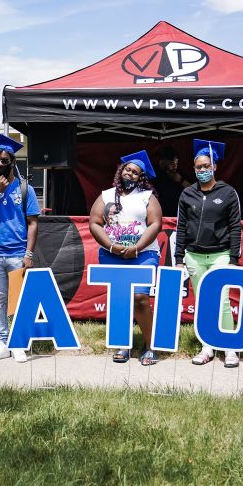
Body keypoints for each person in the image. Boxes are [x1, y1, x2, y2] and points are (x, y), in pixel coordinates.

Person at [89, 150, 163, 366]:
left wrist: (138, 247)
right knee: (120, 300)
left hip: (143, 254)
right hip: (112, 254)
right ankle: (123, 344)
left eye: (135, 172)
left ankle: (151, 346)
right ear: (121, 171)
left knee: (140, 299)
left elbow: (155, 224)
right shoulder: (106, 195)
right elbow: (94, 222)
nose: (129, 174)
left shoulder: (147, 197)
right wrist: (110, 246)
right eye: (127, 169)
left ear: (141, 177)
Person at [175, 140, 241, 368]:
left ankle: (229, 347)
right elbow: (181, 227)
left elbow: (235, 227)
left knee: (221, 300)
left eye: (206, 166)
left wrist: (233, 258)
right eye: (198, 167)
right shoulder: (187, 194)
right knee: (202, 301)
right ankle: (207, 347)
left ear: (215, 167)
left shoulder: (228, 192)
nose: (202, 170)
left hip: (220, 255)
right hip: (194, 256)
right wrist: (178, 258)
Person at [0, 135, 40, 363]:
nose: (1, 165)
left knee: (17, 299)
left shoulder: (25, 189)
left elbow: (33, 223)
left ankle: (18, 342)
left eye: (5, 160)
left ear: (14, 161)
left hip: (17, 253)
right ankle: (1, 342)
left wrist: (29, 253)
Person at [153, 146, 186, 218]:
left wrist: (181, 180)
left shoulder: (178, 174)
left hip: (178, 215)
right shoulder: (154, 176)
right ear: (162, 162)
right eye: (172, 163)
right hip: (160, 215)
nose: (175, 166)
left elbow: (192, 190)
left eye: (176, 163)